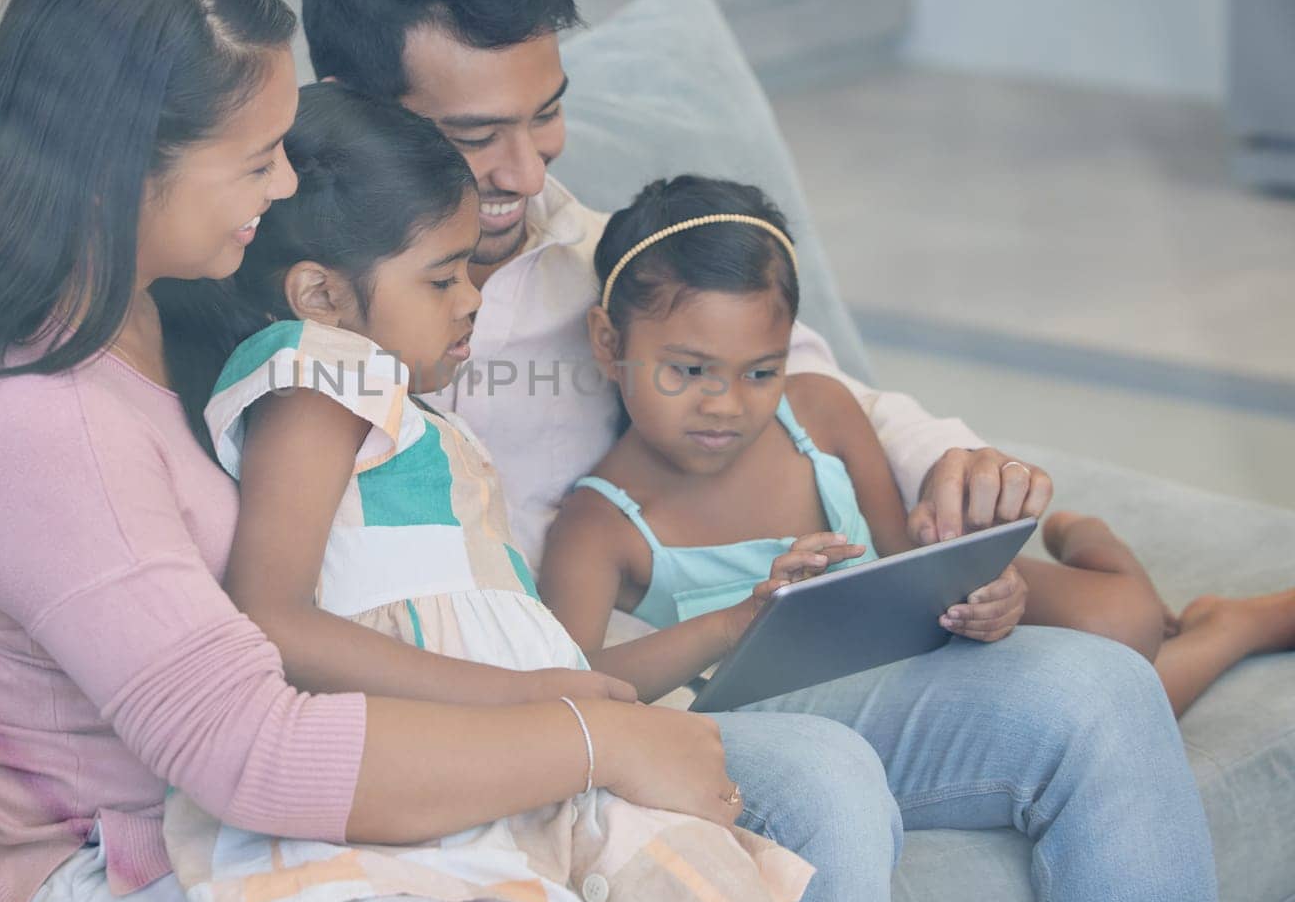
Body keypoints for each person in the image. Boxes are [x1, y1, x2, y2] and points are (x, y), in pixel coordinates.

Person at [0, 0, 1218, 902]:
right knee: (756, 790)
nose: (526, 175)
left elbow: (810, 380)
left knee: (1009, 717)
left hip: (544, 682)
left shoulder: (555, 259)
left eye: (548, 116)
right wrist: (588, 727)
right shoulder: (171, 332)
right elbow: (250, 717)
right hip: (304, 779)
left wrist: (951, 487)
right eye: (264, 159)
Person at [0, 0, 778, 902]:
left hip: (283, 799)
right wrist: (589, 739)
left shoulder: (150, 295)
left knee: (789, 794)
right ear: (129, 164)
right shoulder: (52, 435)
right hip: (129, 858)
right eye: (257, 158)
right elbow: (252, 754)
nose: (285, 184)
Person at [162, 81, 814, 902]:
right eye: (441, 278)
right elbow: (272, 615)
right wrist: (530, 704)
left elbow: (549, 669)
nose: (472, 297)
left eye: (470, 266)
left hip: (553, 763)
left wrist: (724, 630)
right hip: (444, 760)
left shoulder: (422, 425)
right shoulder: (319, 372)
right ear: (321, 296)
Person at [539, 174, 1295, 718]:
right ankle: (1228, 627)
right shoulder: (598, 523)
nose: (726, 403)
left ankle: (1094, 544)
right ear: (610, 345)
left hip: (924, 650)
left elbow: (903, 557)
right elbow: (568, 682)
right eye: (689, 369)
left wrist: (993, 602)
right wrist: (734, 622)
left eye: (760, 370)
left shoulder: (820, 412)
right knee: (1115, 686)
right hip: (854, 710)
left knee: (1122, 624)